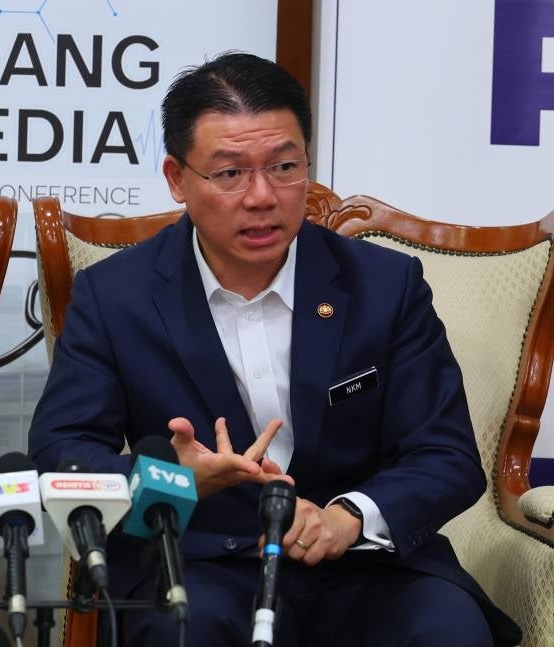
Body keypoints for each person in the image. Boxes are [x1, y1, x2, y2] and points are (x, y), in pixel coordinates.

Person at [28, 53, 522, 646]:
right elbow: (63, 455)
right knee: (179, 633)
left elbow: (446, 455)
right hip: (200, 565)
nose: (263, 196)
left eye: (284, 167)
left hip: (367, 568)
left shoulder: (385, 286)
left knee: (448, 631)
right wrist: (170, 479)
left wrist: (351, 517)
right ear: (176, 178)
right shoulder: (115, 296)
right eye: (230, 173)